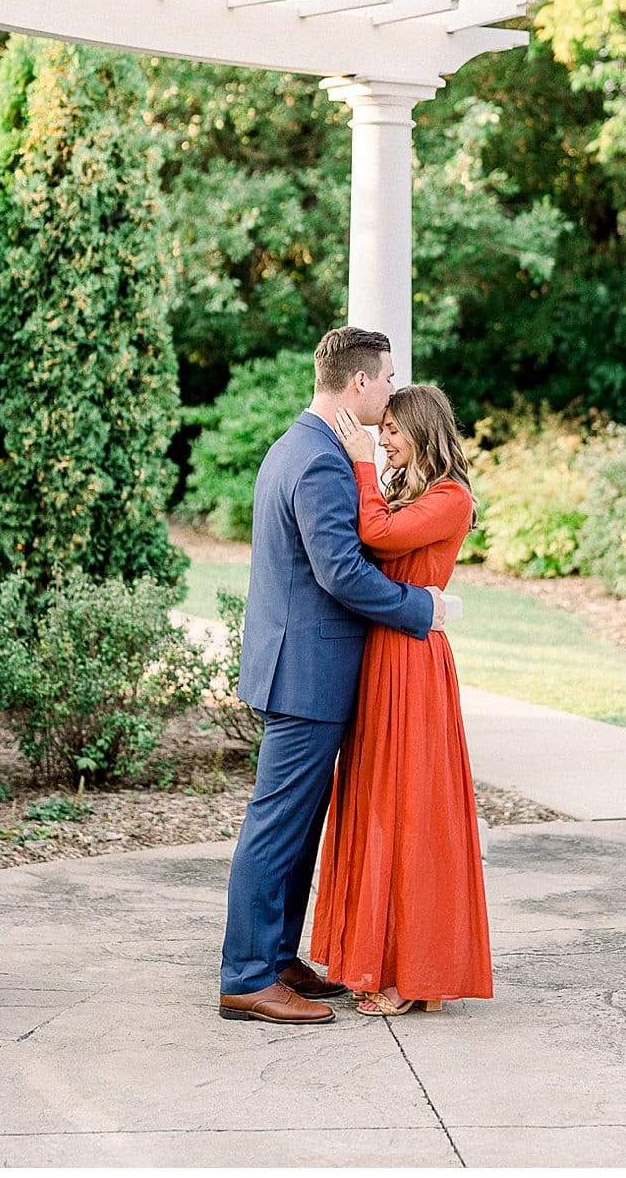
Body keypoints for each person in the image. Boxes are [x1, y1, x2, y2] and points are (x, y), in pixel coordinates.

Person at [218, 327, 449, 1026]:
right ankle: (246, 976)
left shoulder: (299, 445)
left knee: (296, 828)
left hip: (300, 666)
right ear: (358, 384)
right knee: (277, 828)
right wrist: (423, 608)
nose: (389, 393)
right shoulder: (319, 461)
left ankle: (279, 957)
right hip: (308, 673)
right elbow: (341, 573)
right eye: (385, 380)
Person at [310, 384, 493, 1016]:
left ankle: (415, 974)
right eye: (379, 430)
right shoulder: (407, 490)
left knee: (409, 807)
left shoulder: (451, 498)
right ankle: (380, 959)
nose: (383, 439)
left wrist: (361, 460)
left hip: (412, 664)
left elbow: (378, 537)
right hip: (379, 658)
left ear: (421, 430)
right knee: (376, 802)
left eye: (392, 430)